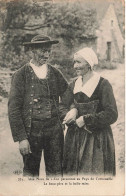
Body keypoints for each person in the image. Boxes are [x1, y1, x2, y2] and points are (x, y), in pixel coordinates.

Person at [8, 35, 69, 177]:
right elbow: (14, 109)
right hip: (31, 132)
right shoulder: (20, 75)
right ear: (32, 51)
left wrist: (67, 112)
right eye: (43, 51)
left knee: (56, 173)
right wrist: (21, 138)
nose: (47, 55)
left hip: (54, 132)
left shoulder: (55, 73)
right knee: (30, 174)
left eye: (49, 51)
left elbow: (67, 97)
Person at [63, 47, 118, 176]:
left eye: (78, 62)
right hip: (74, 139)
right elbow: (62, 105)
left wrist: (86, 119)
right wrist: (72, 110)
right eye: (74, 62)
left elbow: (112, 114)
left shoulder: (103, 84)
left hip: (96, 139)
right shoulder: (73, 85)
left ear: (88, 64)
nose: (75, 66)